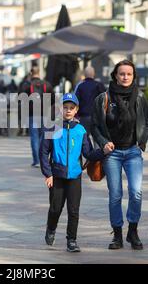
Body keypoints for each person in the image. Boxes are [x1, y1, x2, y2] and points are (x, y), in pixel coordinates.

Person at [91, 59, 148, 250]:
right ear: (115, 76)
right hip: (112, 153)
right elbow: (94, 126)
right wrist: (103, 143)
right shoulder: (103, 98)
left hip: (133, 151)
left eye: (129, 74)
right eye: (122, 73)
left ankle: (132, 231)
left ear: (133, 76)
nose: (125, 77)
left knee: (136, 192)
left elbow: (147, 122)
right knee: (115, 195)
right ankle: (117, 234)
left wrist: (141, 141)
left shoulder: (140, 97)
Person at [40, 93, 110, 252]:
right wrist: (48, 173)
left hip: (74, 176)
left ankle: (71, 240)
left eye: (71, 108)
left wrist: (103, 151)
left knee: (74, 210)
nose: (68, 111)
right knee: (55, 208)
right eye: (65, 108)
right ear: (60, 109)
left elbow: (89, 153)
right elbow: (43, 152)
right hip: (56, 176)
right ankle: (51, 229)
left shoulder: (80, 130)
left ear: (76, 109)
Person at [21, 66, 54, 168]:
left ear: (31, 73)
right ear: (39, 72)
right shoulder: (47, 84)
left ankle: (36, 161)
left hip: (32, 114)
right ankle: (43, 159)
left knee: (34, 137)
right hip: (45, 114)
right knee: (43, 137)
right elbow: (53, 98)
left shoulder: (27, 85)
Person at [74, 66, 106, 132]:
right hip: (98, 117)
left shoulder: (80, 86)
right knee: (97, 138)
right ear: (94, 74)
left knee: (84, 137)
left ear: (84, 74)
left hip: (83, 117)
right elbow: (106, 100)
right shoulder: (99, 85)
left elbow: (75, 101)